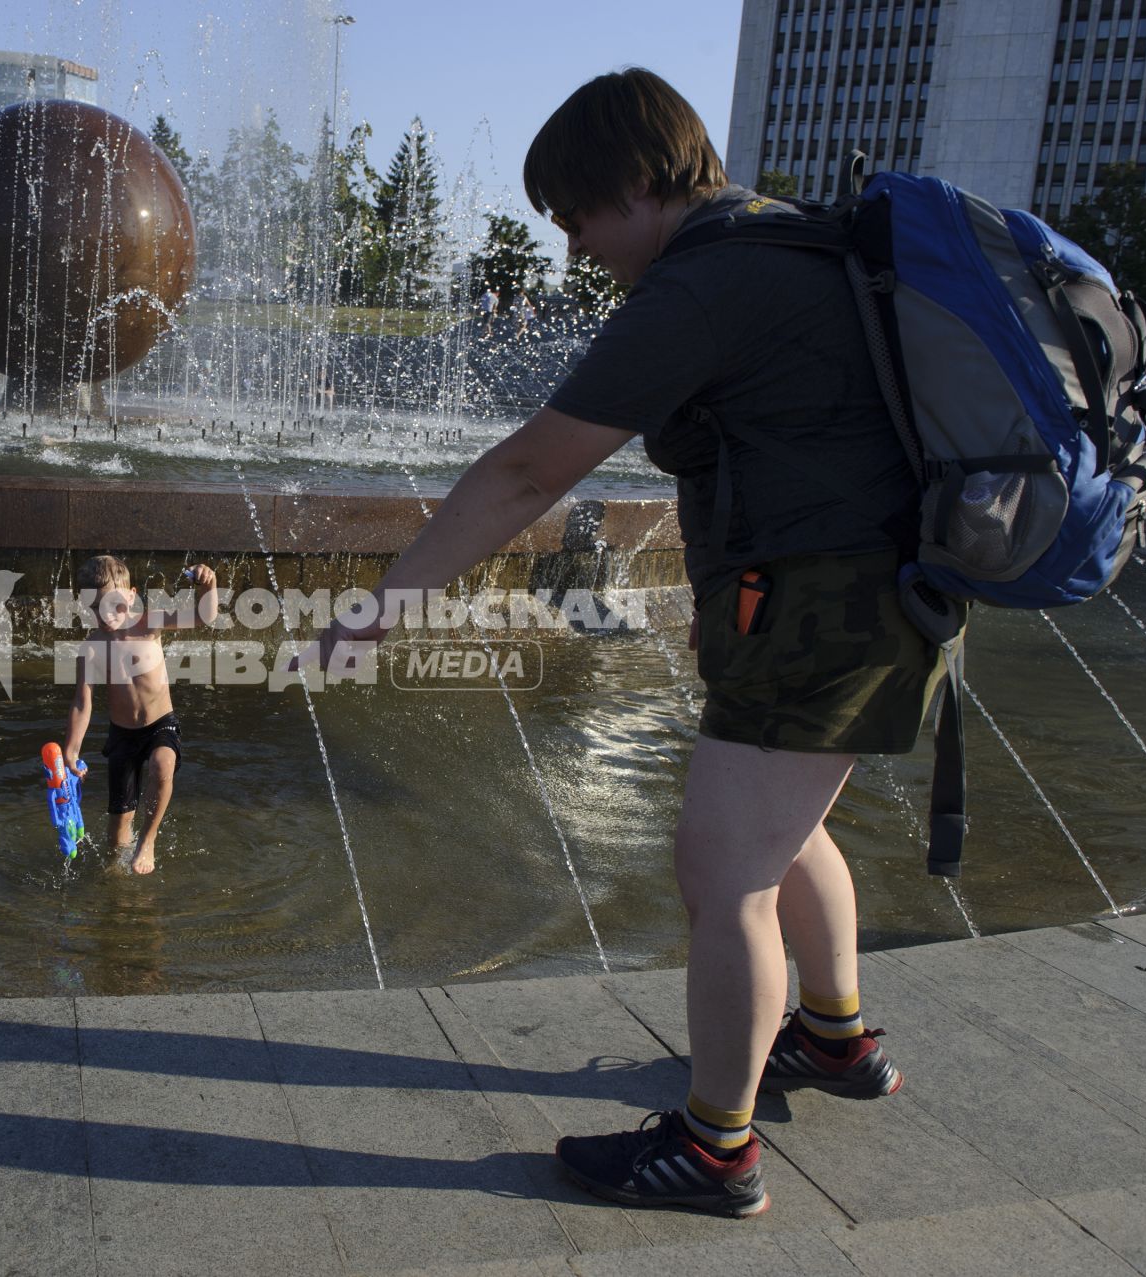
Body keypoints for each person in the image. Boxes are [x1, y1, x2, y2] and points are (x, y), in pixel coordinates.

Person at [304, 67, 931, 1219]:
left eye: (581, 217)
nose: (578, 248)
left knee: (724, 869)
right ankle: (835, 1039)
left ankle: (714, 1151)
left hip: (817, 606)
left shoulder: (702, 284)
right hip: (873, 590)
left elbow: (527, 472)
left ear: (641, 182)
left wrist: (382, 604)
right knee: (787, 832)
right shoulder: (790, 242)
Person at [62, 555, 219, 874]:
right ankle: (117, 878)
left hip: (160, 724)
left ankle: (148, 840)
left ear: (131, 596)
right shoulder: (92, 647)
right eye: (95, 608)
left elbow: (203, 616)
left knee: (162, 765)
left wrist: (209, 584)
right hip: (122, 735)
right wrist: (71, 749)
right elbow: (83, 701)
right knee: (117, 833)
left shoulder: (149, 623)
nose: (106, 615)